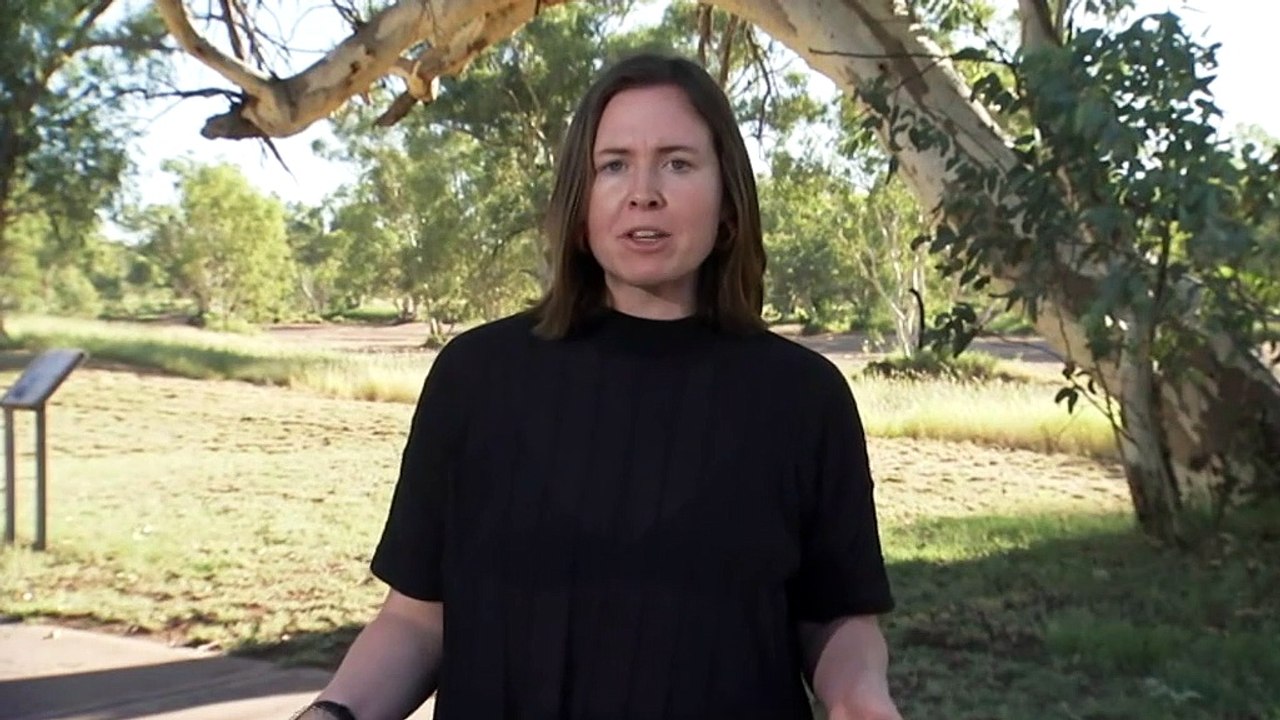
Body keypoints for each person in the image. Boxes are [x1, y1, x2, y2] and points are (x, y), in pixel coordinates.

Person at [290, 52, 900, 720]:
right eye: (614, 164)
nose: (644, 191)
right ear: (580, 204)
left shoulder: (802, 398)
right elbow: (416, 620)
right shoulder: (477, 378)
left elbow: (838, 618)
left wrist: (857, 695)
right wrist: (332, 714)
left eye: (678, 162)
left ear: (729, 201)